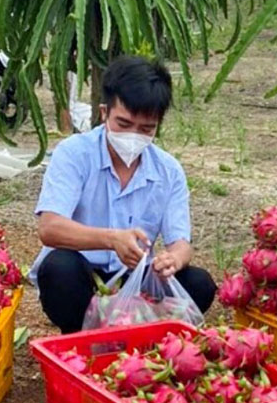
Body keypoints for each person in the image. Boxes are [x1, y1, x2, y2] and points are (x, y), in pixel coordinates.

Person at [32, 55, 216, 333]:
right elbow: (50, 228)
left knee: (198, 284)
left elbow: (181, 242)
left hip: (137, 280)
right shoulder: (74, 154)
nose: (133, 136)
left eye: (146, 129)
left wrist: (174, 259)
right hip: (83, 275)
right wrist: (111, 239)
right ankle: (79, 335)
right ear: (104, 112)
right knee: (59, 268)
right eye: (124, 124)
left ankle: (137, 333)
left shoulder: (168, 171)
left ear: (158, 125)